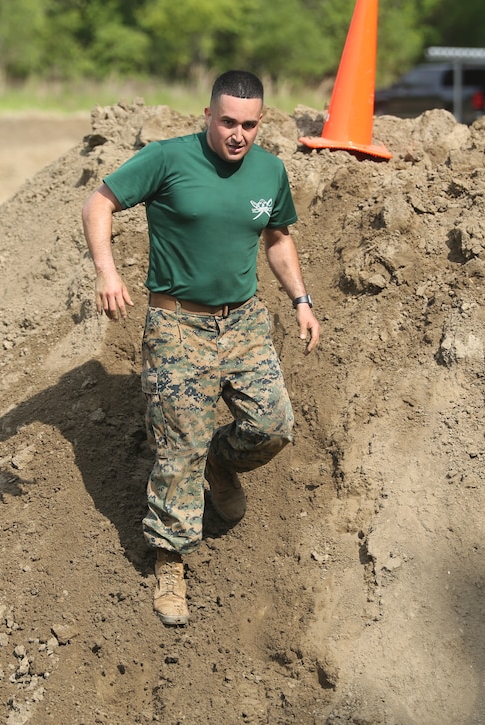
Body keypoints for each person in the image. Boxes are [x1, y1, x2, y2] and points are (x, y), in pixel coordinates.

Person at [81, 70, 321, 626]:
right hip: (177, 328)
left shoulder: (269, 170)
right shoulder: (167, 159)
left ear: (262, 123)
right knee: (177, 448)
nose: (238, 134)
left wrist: (301, 300)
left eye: (250, 125)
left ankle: (220, 459)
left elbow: (278, 238)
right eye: (229, 122)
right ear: (208, 116)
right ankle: (171, 559)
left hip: (243, 323)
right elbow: (99, 203)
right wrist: (107, 271)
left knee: (273, 426)